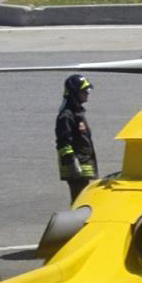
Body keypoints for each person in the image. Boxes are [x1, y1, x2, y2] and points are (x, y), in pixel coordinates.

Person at [55, 74, 98, 204]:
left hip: (83, 167)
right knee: (79, 202)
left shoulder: (78, 113)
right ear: (75, 93)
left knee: (83, 201)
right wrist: (72, 162)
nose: (87, 94)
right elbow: (63, 142)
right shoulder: (66, 116)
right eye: (84, 91)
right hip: (77, 170)